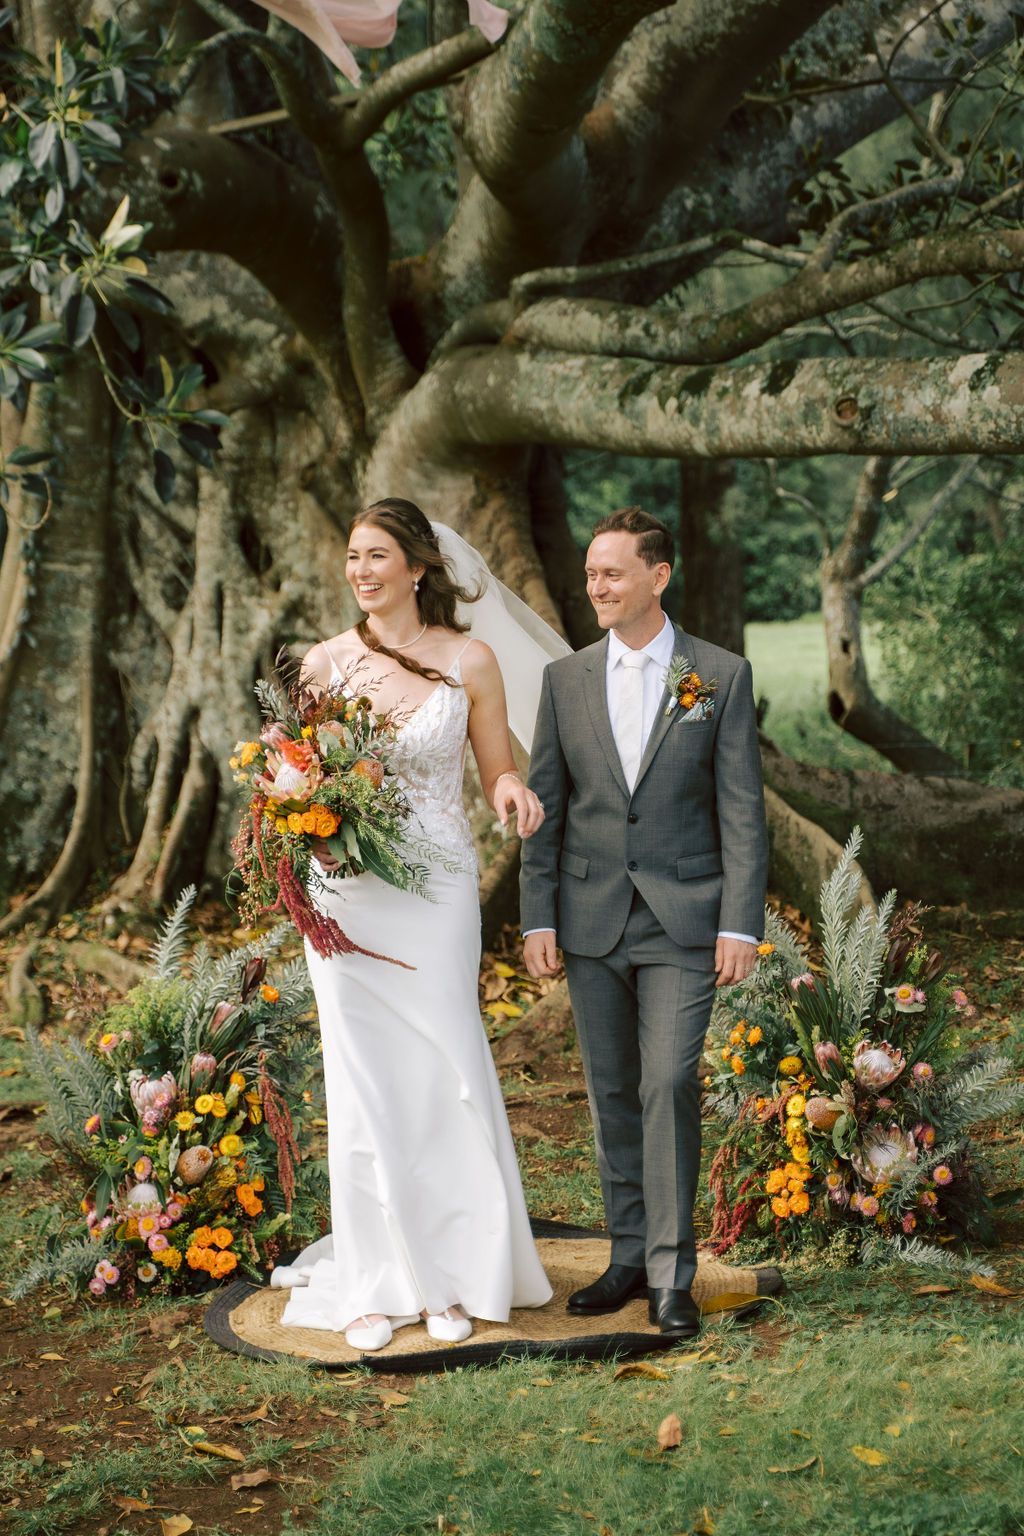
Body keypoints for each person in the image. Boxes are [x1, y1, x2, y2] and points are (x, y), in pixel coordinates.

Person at [270, 498, 554, 1350]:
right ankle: (369, 1280)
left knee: (444, 1066)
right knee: (360, 1081)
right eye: (352, 557)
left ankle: (455, 1272)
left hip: (435, 888)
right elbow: (286, 776)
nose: (360, 571)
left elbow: (497, 769)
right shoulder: (321, 665)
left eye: (377, 556)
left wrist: (511, 793)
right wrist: (296, 805)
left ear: (419, 567)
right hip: (344, 893)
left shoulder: (472, 659)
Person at [520, 507, 768, 1339]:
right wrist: (535, 917)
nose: (596, 587)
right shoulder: (565, 680)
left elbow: (742, 812)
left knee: (669, 1082)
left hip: (685, 919)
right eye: (591, 574)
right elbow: (545, 809)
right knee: (612, 1093)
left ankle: (672, 1273)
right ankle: (627, 1255)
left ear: (658, 577)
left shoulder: (720, 676)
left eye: (611, 573)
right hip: (589, 918)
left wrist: (740, 924)